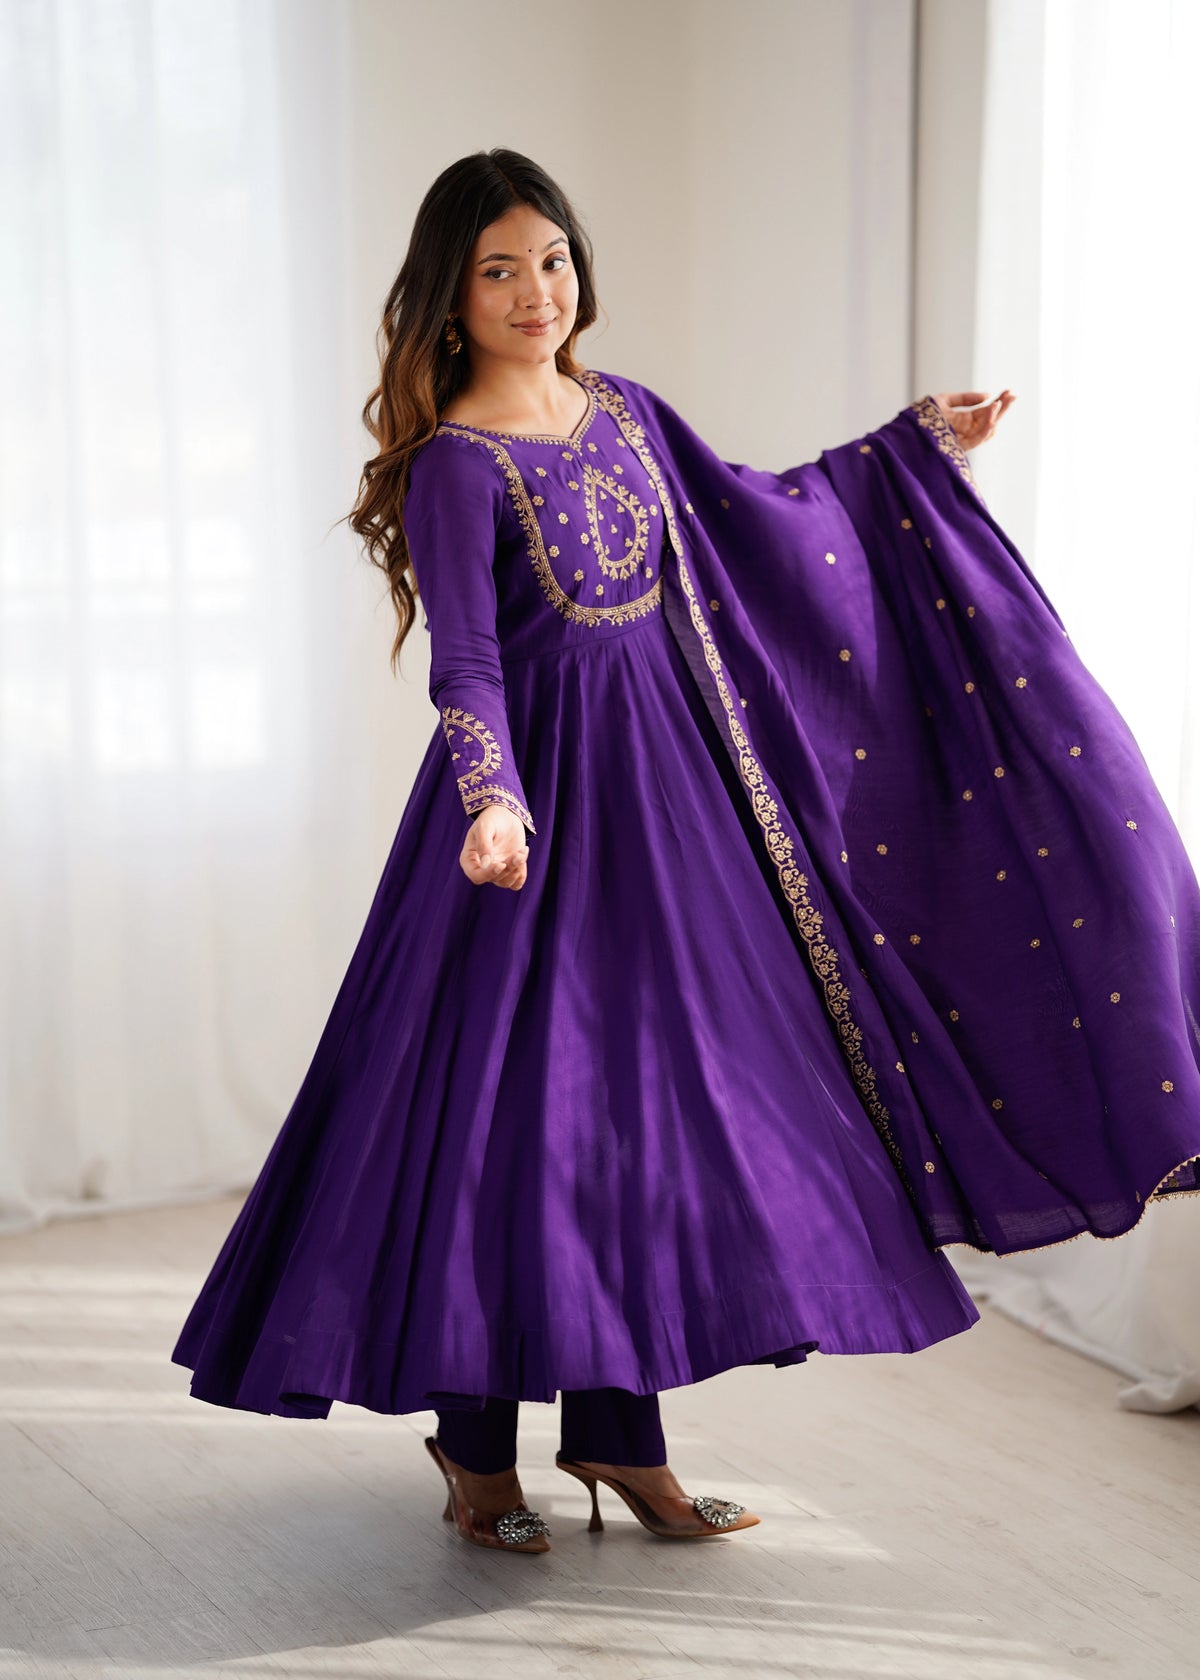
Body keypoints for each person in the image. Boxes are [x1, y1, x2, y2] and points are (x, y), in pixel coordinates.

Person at [171, 148, 1200, 1556]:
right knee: (502, 1132)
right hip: (522, 835)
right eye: (498, 270)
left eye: (552, 258)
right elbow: (466, 664)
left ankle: (620, 1438)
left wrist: (907, 454)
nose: (537, 291)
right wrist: (491, 800)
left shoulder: (625, 415)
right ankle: (477, 1452)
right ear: (447, 299)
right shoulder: (457, 468)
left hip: (671, 812)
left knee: (648, 1121)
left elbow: (760, 522)